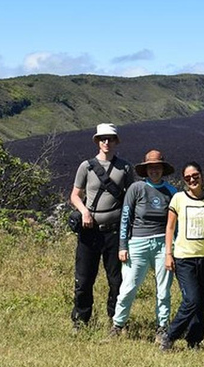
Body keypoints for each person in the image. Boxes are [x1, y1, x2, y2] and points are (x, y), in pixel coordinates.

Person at [69, 123, 135, 331]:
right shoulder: (86, 167)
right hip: (89, 231)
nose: (106, 142)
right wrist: (85, 212)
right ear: (98, 141)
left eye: (110, 138)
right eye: (103, 138)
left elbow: (131, 197)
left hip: (114, 232)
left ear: (116, 141)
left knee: (116, 280)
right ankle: (81, 321)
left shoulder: (125, 167)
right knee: (84, 279)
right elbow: (75, 195)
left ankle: (116, 321)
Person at [110, 149, 177, 341]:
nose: (154, 171)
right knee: (128, 287)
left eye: (157, 167)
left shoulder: (171, 192)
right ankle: (118, 324)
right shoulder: (136, 189)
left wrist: (172, 250)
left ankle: (162, 327)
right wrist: (122, 246)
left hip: (163, 244)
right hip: (137, 243)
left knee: (163, 289)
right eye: (150, 168)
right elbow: (125, 217)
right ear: (145, 170)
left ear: (163, 169)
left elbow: (175, 223)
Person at [160, 162, 204, 351]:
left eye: (195, 176)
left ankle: (194, 340)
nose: (192, 180)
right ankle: (170, 335)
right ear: (184, 180)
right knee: (191, 299)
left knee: (202, 303)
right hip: (184, 258)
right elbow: (169, 227)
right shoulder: (178, 199)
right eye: (187, 177)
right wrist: (168, 254)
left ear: (202, 175)